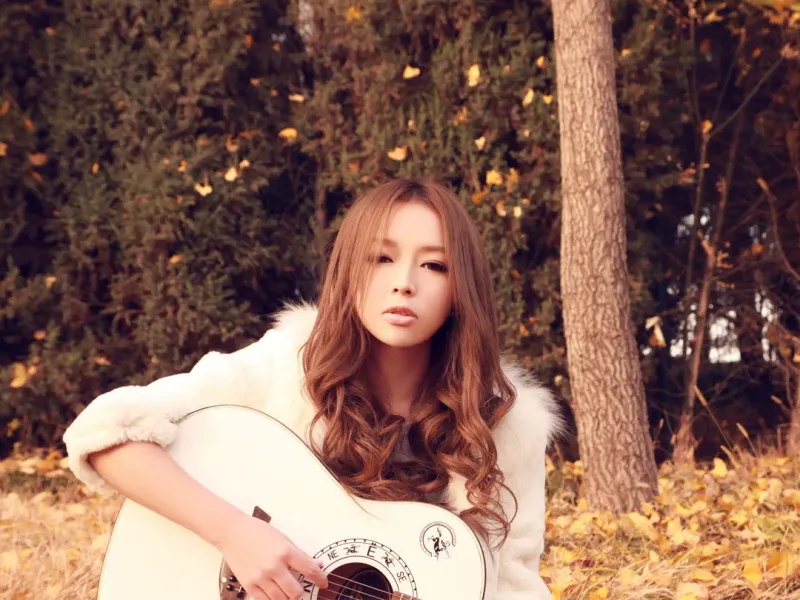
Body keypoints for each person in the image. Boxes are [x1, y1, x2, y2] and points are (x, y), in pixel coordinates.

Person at [63, 178, 563, 600]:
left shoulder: (504, 427)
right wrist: (234, 533)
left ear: (461, 289)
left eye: (434, 265)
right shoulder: (287, 366)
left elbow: (514, 585)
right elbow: (107, 434)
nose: (404, 283)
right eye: (381, 258)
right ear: (348, 270)